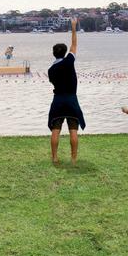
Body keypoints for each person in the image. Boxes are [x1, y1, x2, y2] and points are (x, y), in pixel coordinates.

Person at [47, 18, 84, 165]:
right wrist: (73, 28)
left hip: (58, 100)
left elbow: (53, 82)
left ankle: (55, 157)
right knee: (73, 130)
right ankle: (73, 159)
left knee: (55, 130)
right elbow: (74, 45)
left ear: (54, 54)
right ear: (64, 53)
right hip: (71, 99)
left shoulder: (51, 70)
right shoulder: (69, 61)